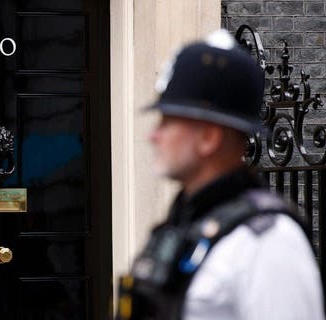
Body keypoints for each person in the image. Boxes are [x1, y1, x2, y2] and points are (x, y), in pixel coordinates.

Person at [116, 30, 324, 320]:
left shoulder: (269, 244)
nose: (153, 135)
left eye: (168, 121)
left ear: (209, 138)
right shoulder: (181, 226)